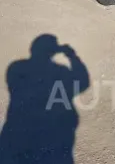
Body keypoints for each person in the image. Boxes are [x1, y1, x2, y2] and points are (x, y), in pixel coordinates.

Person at [0, 34, 90, 164]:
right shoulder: (61, 72)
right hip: (52, 139)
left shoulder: (16, 67)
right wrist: (71, 55)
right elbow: (83, 82)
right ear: (53, 51)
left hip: (15, 135)